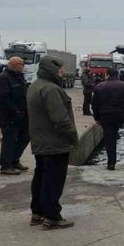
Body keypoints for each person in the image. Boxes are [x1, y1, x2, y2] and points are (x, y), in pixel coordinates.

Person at [27, 56, 78, 229]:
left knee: (41, 177)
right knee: (53, 180)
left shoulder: (35, 86)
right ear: (53, 70)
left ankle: (37, 212)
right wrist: (73, 137)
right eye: (61, 69)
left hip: (40, 142)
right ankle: (52, 216)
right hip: (55, 143)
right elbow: (61, 120)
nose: (63, 72)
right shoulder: (51, 89)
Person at [92, 67, 124, 170]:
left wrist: (98, 119)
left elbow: (94, 105)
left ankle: (111, 163)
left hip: (106, 117)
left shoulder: (99, 87)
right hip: (121, 115)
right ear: (117, 75)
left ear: (107, 75)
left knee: (110, 140)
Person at [0, 56, 30, 175]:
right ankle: (5, 165)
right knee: (9, 141)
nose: (23, 66)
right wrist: (15, 111)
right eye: (21, 64)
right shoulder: (3, 78)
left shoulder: (19, 77)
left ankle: (15, 160)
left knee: (25, 137)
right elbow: (3, 98)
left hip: (23, 115)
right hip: (9, 117)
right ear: (14, 65)